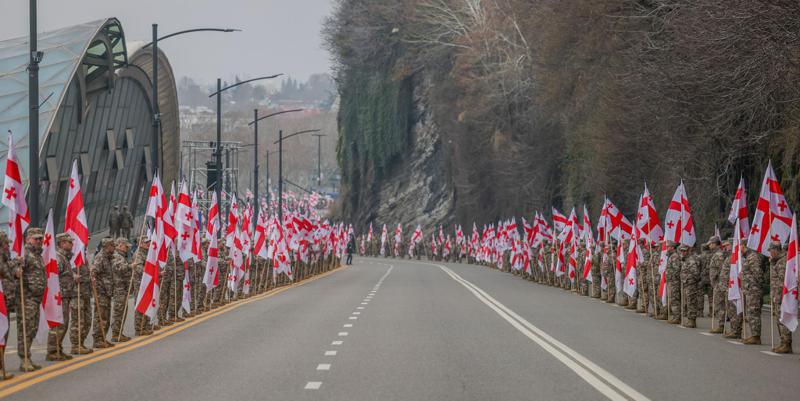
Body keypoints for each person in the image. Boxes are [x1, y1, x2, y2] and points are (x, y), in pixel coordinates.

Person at [14, 227, 46, 372]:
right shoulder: (24, 254)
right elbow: (14, 271)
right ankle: (24, 359)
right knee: (25, 329)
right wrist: (17, 272)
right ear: (28, 239)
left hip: (36, 299)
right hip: (26, 299)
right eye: (36, 238)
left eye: (40, 239)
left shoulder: (37, 255)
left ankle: (28, 356)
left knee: (32, 329)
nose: (39, 241)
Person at [47, 233, 75, 361]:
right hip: (60, 296)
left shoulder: (64, 257)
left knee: (64, 324)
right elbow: (53, 276)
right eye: (69, 242)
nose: (72, 244)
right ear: (62, 243)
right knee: (58, 324)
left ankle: (58, 348)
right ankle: (52, 351)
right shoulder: (58, 257)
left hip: (65, 295)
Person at [92, 238, 116, 348]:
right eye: (112, 245)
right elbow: (94, 272)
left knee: (106, 316)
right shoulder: (100, 257)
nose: (114, 247)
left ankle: (103, 338)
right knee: (100, 316)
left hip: (107, 291)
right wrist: (96, 285)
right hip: (101, 291)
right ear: (107, 246)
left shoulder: (109, 257)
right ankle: (97, 340)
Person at [768, 241, 792, 353]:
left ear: (775, 250)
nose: (770, 253)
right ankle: (783, 343)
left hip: (782, 296)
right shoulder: (778, 261)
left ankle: (786, 344)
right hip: (777, 295)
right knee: (779, 320)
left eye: (771, 251)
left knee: (783, 319)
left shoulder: (783, 262)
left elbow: (783, 281)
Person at [741, 246, 766, 344]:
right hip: (750, 290)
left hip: (754, 290)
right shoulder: (748, 257)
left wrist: (755, 286)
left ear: (744, 246)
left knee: (754, 312)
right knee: (751, 313)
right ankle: (754, 335)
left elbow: (758, 274)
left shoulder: (753, 257)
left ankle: (756, 337)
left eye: (739, 246)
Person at [111, 237, 133, 342]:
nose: (127, 248)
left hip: (123, 288)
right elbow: (120, 269)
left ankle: (119, 332)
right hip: (119, 288)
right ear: (120, 245)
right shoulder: (116, 256)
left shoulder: (122, 256)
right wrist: (130, 266)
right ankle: (116, 334)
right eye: (126, 246)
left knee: (123, 311)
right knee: (119, 312)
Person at [706, 236, 726, 334]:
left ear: (714, 244)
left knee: (719, 304)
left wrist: (716, 281)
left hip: (719, 283)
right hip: (717, 283)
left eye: (710, 244)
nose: (709, 246)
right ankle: (721, 324)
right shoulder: (716, 254)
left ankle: (721, 325)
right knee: (719, 304)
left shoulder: (718, 255)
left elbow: (721, 270)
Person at [679, 245, 701, 328]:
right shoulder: (685, 260)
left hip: (691, 284)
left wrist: (689, 279)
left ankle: (692, 320)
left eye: (684, 251)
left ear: (688, 251)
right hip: (686, 284)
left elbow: (695, 273)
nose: (683, 252)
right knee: (688, 301)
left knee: (691, 302)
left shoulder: (691, 260)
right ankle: (689, 319)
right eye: (681, 251)